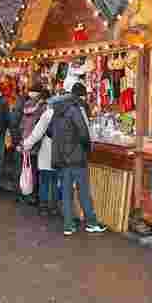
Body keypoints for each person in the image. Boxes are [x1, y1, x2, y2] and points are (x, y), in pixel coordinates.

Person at [49, 82, 107, 236]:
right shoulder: (75, 110)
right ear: (80, 96)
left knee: (67, 193)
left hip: (62, 158)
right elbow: (83, 132)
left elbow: (50, 132)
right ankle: (91, 223)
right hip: (77, 157)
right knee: (83, 192)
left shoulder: (57, 109)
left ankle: (68, 225)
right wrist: (87, 149)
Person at [19, 83, 48, 206]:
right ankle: (34, 195)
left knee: (26, 169)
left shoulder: (26, 105)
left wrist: (23, 139)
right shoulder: (42, 107)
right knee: (35, 170)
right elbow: (42, 127)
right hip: (36, 142)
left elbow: (21, 125)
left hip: (26, 140)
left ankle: (26, 193)